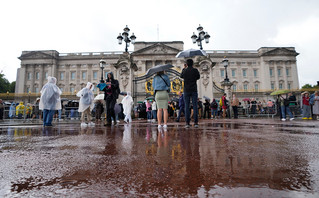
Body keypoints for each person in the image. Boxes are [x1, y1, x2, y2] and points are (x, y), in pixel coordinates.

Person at [180, 59, 200, 128]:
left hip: (186, 90)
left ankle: (187, 123)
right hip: (194, 89)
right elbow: (198, 77)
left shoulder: (185, 70)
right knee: (195, 106)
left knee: (187, 106)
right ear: (193, 64)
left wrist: (184, 68)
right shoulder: (195, 70)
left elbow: (181, 76)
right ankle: (196, 123)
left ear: (187, 64)